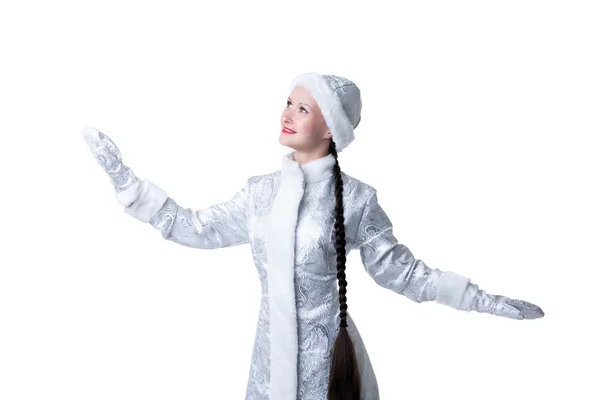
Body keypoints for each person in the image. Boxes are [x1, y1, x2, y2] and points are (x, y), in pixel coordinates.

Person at [82, 72, 545, 400]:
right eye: (287, 102)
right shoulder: (259, 194)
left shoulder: (358, 200)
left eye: (302, 108)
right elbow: (193, 227)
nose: (286, 113)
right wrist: (127, 183)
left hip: (331, 369)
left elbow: (403, 273)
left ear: (330, 129)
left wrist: (481, 300)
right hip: (269, 367)